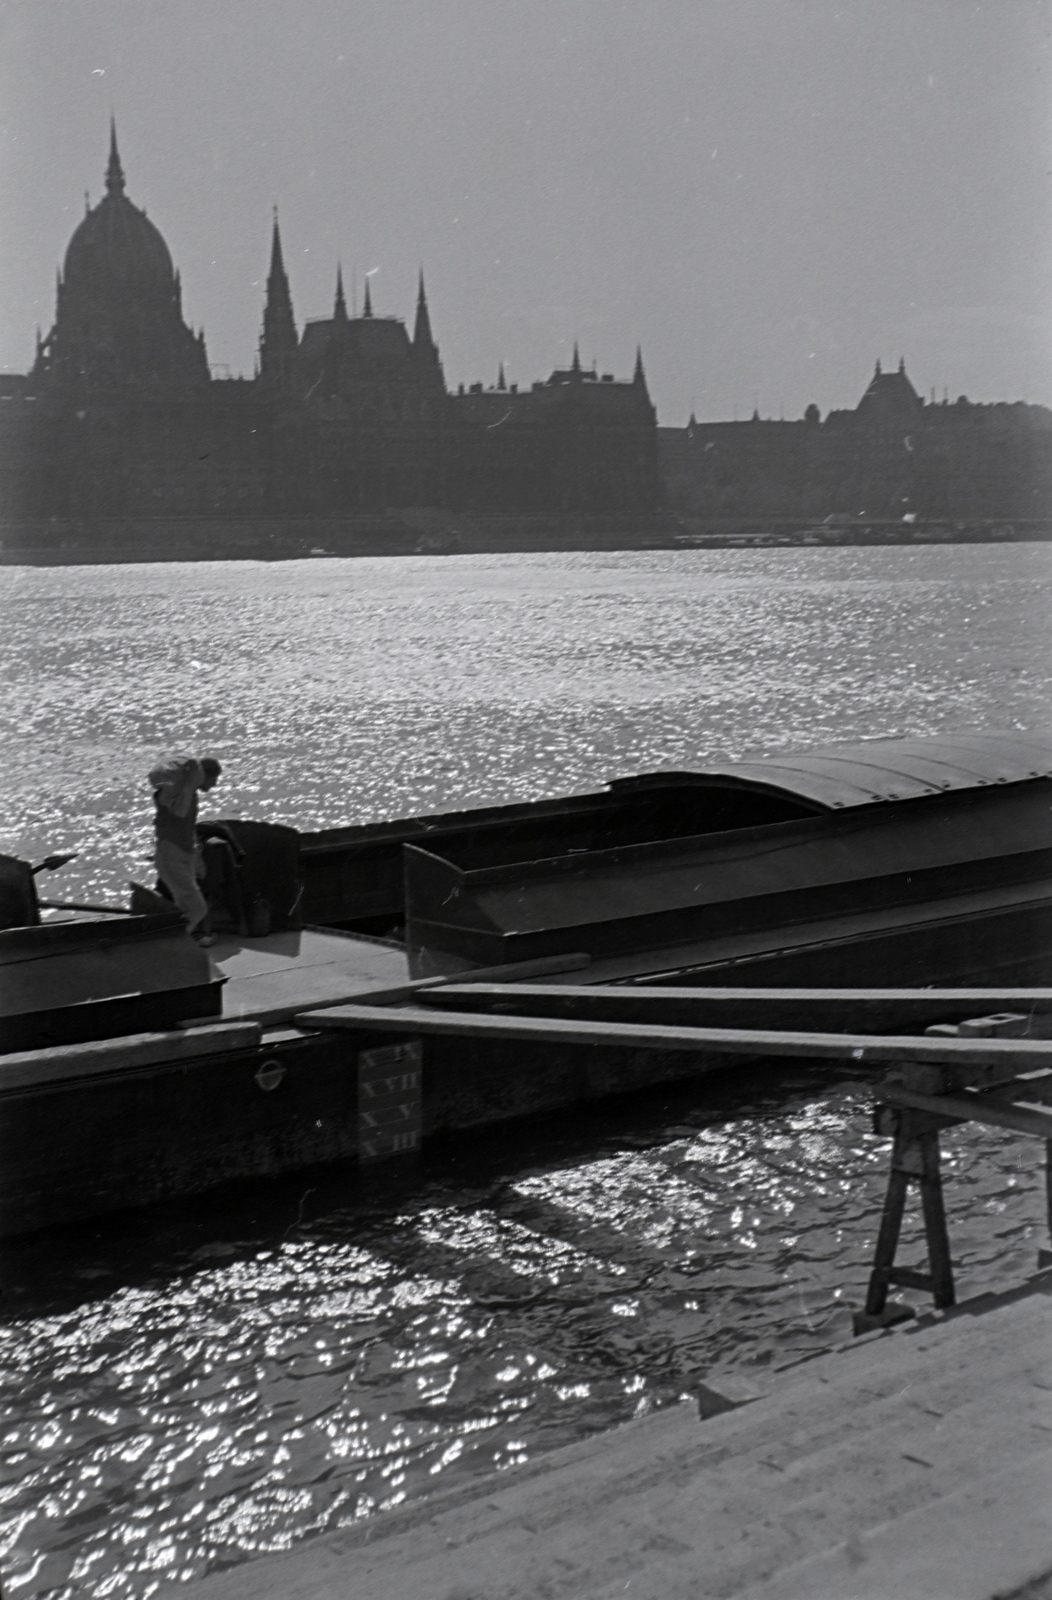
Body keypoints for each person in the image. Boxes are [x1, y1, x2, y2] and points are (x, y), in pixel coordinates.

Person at [149, 753, 222, 944]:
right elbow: (178, 812)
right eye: (214, 779)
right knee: (198, 909)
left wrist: (196, 858)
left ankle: (183, 942)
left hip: (182, 856)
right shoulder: (172, 797)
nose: (215, 784)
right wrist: (190, 781)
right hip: (171, 856)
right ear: (202, 776)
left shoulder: (190, 797)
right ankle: (171, 944)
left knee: (184, 909)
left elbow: (188, 830)